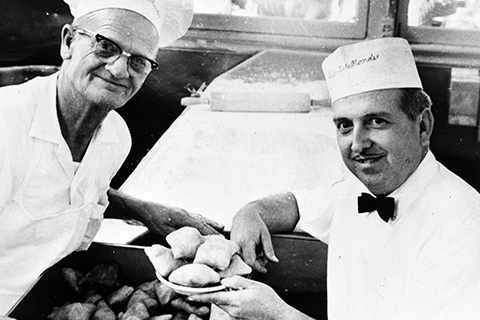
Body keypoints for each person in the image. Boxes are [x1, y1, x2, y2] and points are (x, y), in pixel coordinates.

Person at [188, 37, 480, 319]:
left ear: (424, 126)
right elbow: (298, 205)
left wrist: (279, 316)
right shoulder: (361, 189)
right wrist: (251, 212)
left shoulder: (462, 230)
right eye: (344, 125)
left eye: (376, 121)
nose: (357, 144)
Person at [0, 0, 224, 314]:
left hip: (56, 298)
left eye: (139, 62)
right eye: (105, 46)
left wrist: (144, 209)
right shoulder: (6, 127)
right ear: (68, 42)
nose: (119, 69)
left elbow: (68, 191)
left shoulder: (116, 137)